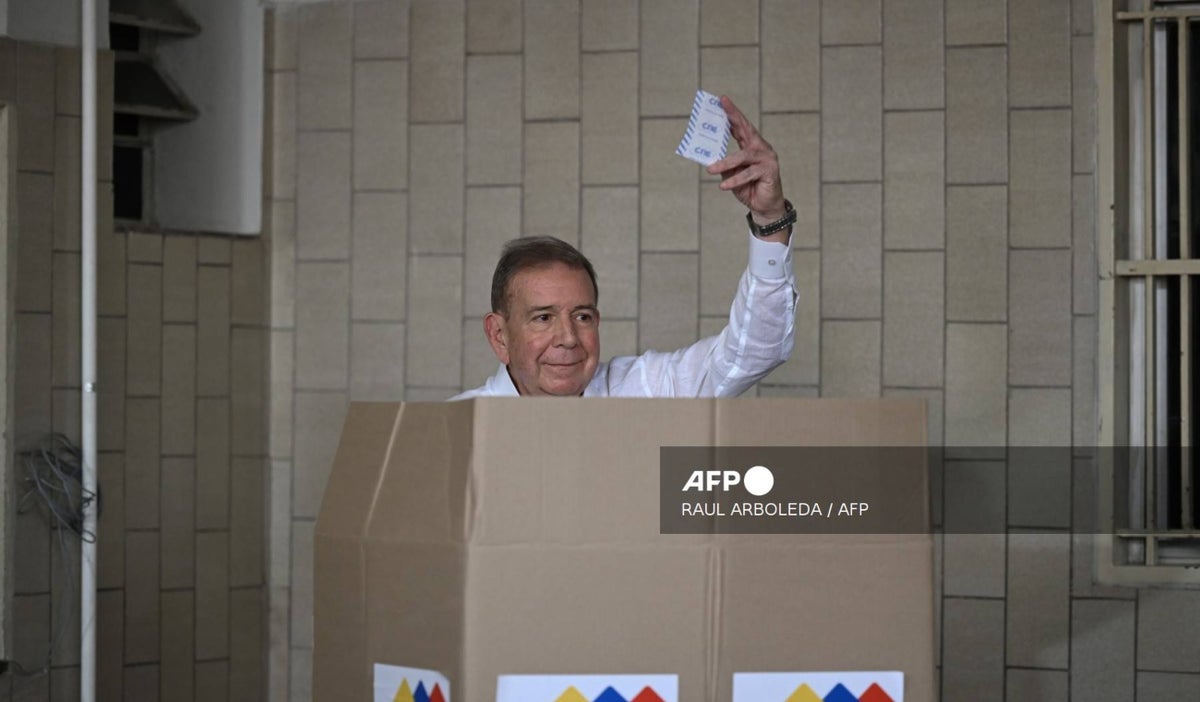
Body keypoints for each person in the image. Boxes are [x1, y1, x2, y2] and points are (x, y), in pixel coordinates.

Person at [451, 96, 796, 400]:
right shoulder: (454, 430)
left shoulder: (643, 390)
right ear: (499, 335)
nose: (569, 338)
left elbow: (750, 353)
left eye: (582, 316)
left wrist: (769, 219)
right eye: (543, 318)